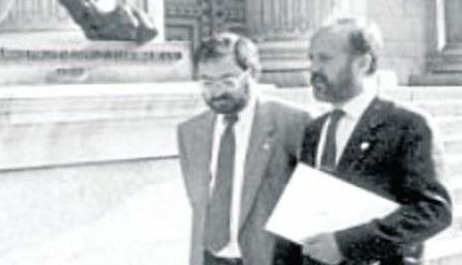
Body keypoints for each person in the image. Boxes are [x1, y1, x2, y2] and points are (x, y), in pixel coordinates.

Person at [294, 15, 452, 265]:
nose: (314, 69)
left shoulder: (407, 125)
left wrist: (347, 245)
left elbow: (433, 211)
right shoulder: (315, 129)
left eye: (325, 59)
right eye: (311, 59)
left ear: (363, 63)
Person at [177, 32, 312, 265]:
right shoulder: (190, 132)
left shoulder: (293, 123)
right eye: (206, 83)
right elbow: (199, 207)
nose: (216, 92)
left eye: (228, 81)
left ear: (253, 74)